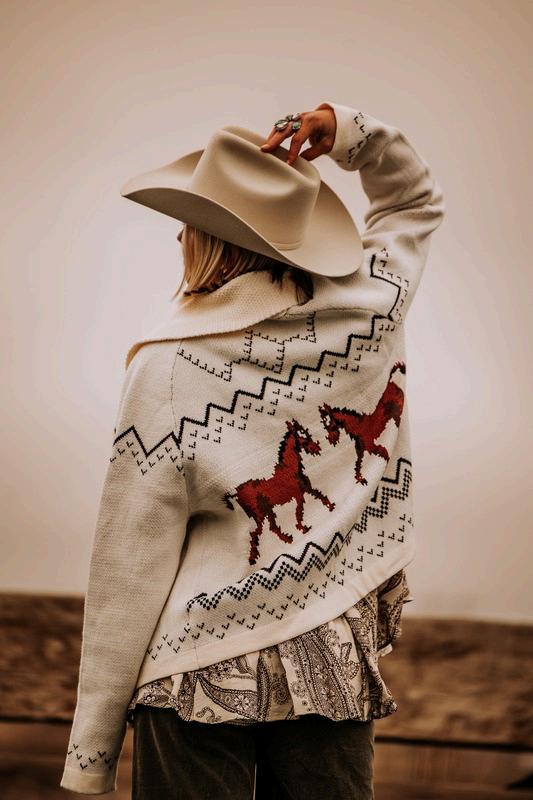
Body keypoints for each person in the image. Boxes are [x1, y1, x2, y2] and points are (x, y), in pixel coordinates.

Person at [59, 101, 445, 799]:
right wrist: (349, 133)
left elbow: (129, 564)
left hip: (195, 671)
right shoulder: (372, 309)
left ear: (209, 239)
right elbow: (413, 201)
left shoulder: (169, 367)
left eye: (188, 221)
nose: (178, 234)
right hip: (329, 660)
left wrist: (91, 752)